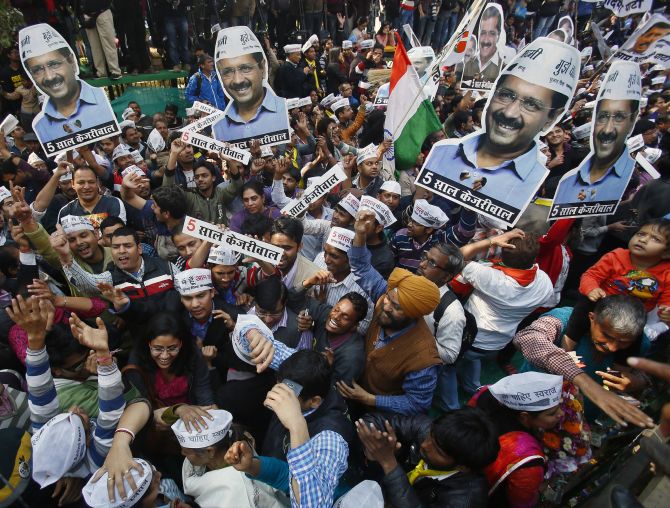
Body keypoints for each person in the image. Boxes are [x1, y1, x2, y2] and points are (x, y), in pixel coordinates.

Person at [421, 38, 579, 223]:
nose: (510, 112)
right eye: (506, 95)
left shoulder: (532, 180)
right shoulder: (443, 153)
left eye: (530, 104)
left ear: (551, 119)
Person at [513, 295, 654, 428]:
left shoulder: (641, 344)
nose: (612, 347)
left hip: (579, 418)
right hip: (528, 406)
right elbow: (528, 338)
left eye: (624, 342)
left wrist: (636, 382)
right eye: (606, 335)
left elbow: (644, 376)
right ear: (592, 318)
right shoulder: (565, 318)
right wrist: (588, 385)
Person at [357, 406, 500, 508]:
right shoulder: (430, 430)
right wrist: (381, 440)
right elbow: (372, 420)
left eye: (438, 451)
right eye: (430, 436)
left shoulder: (466, 500)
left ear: (462, 467)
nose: (425, 445)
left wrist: (389, 463)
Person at [467, 372, 570, 508]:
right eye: (551, 414)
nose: (561, 414)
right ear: (524, 417)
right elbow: (522, 502)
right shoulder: (527, 461)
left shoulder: (487, 394)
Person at [552, 61, 639, 213]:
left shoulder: (630, 176)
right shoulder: (567, 181)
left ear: (633, 120)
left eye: (619, 117)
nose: (607, 129)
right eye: (603, 117)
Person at [19, 24, 119, 154]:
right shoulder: (41, 126)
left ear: (71, 62)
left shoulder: (102, 103)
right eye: (38, 70)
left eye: (54, 64)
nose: (49, 76)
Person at [172, 408, 286, 507]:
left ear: (210, 451)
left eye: (186, 451)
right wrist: (179, 409)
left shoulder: (236, 488)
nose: (182, 453)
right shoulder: (237, 446)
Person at [213, 26, 290, 148]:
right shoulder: (219, 129)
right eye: (227, 72)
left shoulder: (286, 113)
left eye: (246, 68)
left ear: (262, 68)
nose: (238, 80)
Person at [461, 4, 503, 87]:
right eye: (483, 33)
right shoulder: (468, 64)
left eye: (492, 33)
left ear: (498, 36)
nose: (486, 40)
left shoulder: (502, 67)